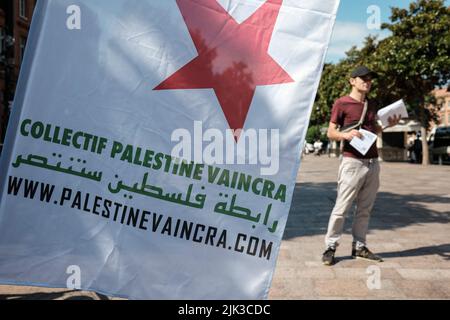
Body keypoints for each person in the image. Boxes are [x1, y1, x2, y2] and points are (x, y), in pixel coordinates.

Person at [322, 66, 401, 266]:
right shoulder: (342, 103)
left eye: (369, 78)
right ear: (352, 81)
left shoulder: (372, 104)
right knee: (342, 208)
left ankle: (359, 246)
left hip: (373, 162)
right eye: (363, 78)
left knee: (365, 209)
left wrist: (388, 125)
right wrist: (345, 135)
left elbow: (375, 131)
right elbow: (331, 132)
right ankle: (330, 247)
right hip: (352, 161)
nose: (367, 81)